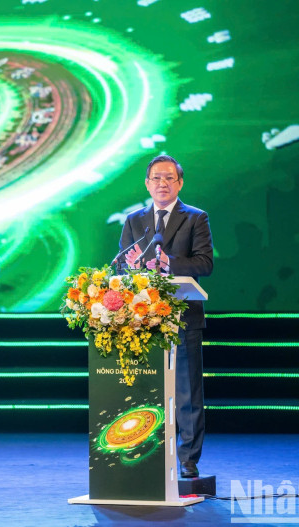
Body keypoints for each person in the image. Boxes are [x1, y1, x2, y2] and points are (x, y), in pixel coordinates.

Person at [117, 154, 214, 479]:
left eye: (169, 178)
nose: (162, 183)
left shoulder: (195, 218)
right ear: (147, 184)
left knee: (187, 392)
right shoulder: (134, 221)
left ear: (179, 183)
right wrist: (131, 266)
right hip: (143, 320)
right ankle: (149, 452)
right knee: (148, 391)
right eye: (156, 178)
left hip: (183, 317)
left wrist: (168, 263)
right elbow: (123, 265)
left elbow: (204, 263)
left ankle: (187, 458)